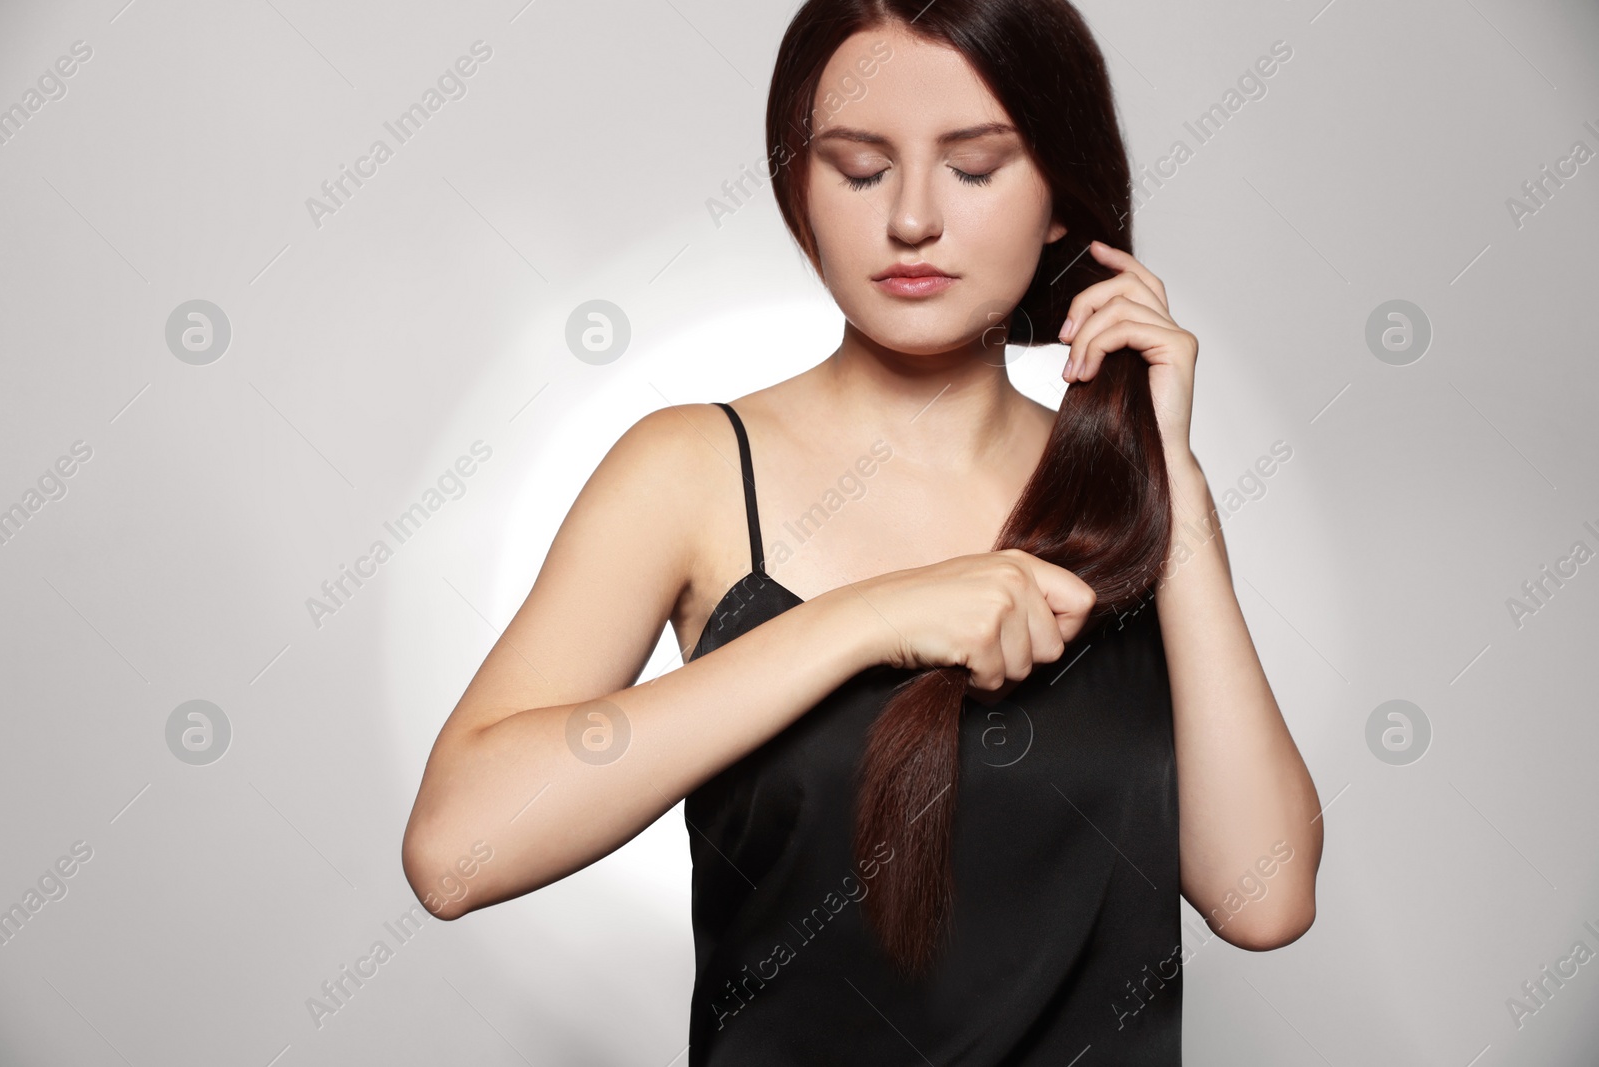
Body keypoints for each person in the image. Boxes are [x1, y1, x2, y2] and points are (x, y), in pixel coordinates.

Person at [402, 0, 1322, 1061]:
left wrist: (1175, 480)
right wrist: (866, 619)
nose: (913, 219)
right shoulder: (691, 471)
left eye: (975, 169)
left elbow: (1265, 895)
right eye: (858, 167)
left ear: (1061, 198)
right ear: (799, 187)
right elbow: (455, 850)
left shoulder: (1131, 494)